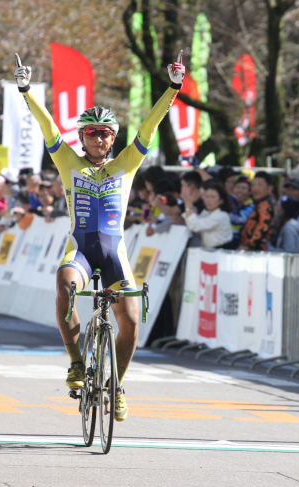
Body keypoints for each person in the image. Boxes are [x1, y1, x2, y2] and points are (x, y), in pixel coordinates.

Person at [14, 50, 185, 422]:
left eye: (105, 133)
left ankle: (117, 386)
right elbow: (48, 128)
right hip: (81, 250)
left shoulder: (126, 163)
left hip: (113, 253)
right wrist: (27, 92)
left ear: (112, 138)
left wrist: (173, 87)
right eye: (91, 132)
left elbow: (150, 127)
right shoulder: (67, 162)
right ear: (82, 136)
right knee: (65, 282)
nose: (98, 138)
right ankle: (76, 362)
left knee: (132, 320)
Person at [183, 182, 233, 248]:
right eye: (207, 197)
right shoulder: (206, 213)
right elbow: (191, 222)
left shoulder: (221, 216)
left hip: (220, 250)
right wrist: (191, 210)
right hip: (208, 250)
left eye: (212, 197)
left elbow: (195, 226)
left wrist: (188, 204)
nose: (209, 200)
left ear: (221, 201)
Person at [238, 171, 275, 251]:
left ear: (269, 188)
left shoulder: (265, 205)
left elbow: (263, 226)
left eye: (260, 185)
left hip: (256, 252)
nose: (255, 188)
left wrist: (249, 245)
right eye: (253, 185)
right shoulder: (259, 204)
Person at [228, 175, 253, 249]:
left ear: (249, 192)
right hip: (225, 243)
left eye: (244, 188)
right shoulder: (228, 201)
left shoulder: (252, 207)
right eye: (237, 187)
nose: (240, 190)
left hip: (242, 246)